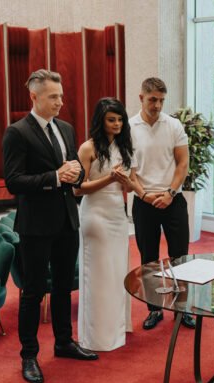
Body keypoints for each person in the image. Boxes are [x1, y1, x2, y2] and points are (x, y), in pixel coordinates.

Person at [3, 69, 97, 383]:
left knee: (62, 287)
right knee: (32, 293)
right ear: (34, 96)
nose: (60, 102)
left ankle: (64, 342)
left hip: (67, 220)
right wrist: (55, 177)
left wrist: (76, 174)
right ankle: (29, 355)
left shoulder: (66, 128)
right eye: (53, 97)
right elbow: (14, 181)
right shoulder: (17, 132)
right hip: (35, 225)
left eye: (61, 96)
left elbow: (76, 170)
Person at [129, 77, 196, 330]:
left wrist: (170, 192)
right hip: (144, 202)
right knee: (149, 259)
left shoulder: (174, 125)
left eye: (161, 100)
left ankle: (182, 308)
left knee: (181, 257)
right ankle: (154, 309)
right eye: (152, 100)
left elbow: (183, 163)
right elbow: (129, 170)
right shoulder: (129, 127)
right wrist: (144, 195)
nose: (157, 105)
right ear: (141, 98)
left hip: (173, 200)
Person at [74, 97, 135, 351]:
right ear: (101, 121)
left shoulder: (124, 148)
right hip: (95, 215)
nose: (117, 124)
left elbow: (129, 187)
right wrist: (110, 179)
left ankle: (117, 327)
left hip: (118, 216)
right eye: (112, 120)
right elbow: (78, 189)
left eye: (120, 119)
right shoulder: (87, 148)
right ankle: (97, 335)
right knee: (98, 274)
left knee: (117, 270)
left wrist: (129, 184)